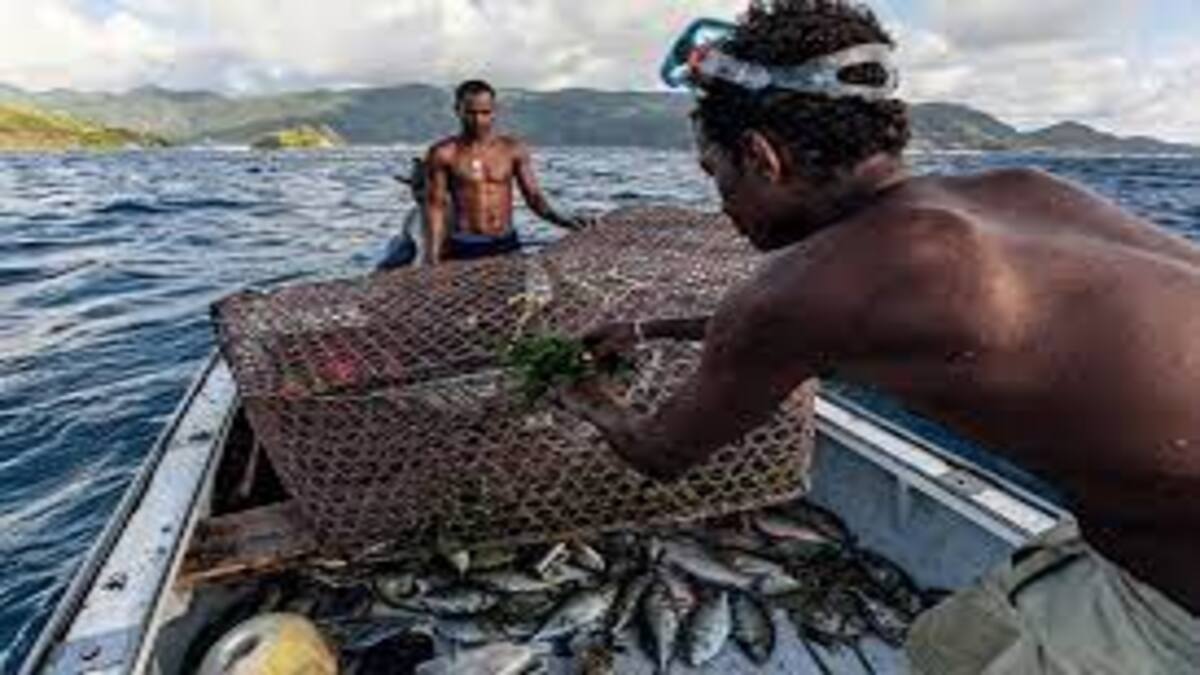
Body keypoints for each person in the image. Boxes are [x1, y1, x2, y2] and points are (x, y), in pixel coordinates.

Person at [559, 2, 1200, 672]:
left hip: (1176, 613)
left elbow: (662, 452)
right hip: (1136, 541)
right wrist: (649, 326)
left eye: (714, 173)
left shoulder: (804, 289)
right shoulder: (1025, 191)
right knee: (942, 648)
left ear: (760, 156)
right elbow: (833, 323)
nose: (722, 202)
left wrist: (587, 396)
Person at [423, 79, 592, 264]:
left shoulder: (512, 149)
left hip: (506, 243)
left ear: (495, 111)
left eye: (485, 113)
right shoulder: (443, 153)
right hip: (464, 245)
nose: (478, 120)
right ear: (457, 110)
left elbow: (534, 198)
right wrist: (432, 255)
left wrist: (565, 221)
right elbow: (435, 207)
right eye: (470, 113)